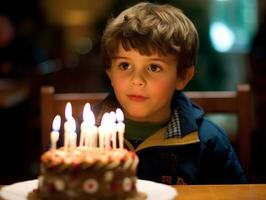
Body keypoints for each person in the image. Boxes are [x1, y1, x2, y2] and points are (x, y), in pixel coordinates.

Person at [94, 2, 246, 184]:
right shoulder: (79, 136)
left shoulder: (208, 143)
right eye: (125, 65)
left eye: (153, 67)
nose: (137, 80)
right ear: (110, 72)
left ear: (182, 76)